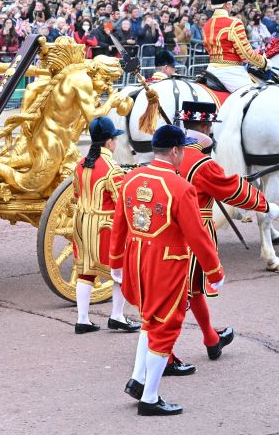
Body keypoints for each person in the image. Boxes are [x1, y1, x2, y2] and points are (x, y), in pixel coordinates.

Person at [109, 125, 225, 416]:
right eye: (182, 149)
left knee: (149, 321)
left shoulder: (132, 177)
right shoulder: (181, 187)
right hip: (167, 263)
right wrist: (214, 272)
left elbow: (119, 224)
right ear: (175, 151)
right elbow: (198, 236)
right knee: (165, 328)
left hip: (136, 259)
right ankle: (149, 398)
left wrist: (115, 262)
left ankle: (138, 379)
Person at [173, 102, 276, 366]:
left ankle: (210, 339)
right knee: (177, 298)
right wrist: (267, 206)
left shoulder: (168, 153)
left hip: (164, 227)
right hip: (192, 233)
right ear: (207, 126)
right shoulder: (203, 163)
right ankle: (162, 354)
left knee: (193, 289)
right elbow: (234, 190)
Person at [71, 118, 140, 334]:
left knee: (85, 271)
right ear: (110, 142)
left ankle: (83, 319)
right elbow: (122, 202)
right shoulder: (112, 168)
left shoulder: (81, 164)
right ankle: (117, 316)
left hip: (82, 224)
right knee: (119, 271)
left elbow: (75, 194)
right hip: (105, 226)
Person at [202, 0, 266, 92]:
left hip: (211, 70)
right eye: (231, 3)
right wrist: (264, 63)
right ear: (227, 4)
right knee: (256, 97)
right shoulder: (234, 23)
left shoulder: (206, 25)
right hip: (231, 73)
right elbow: (246, 55)